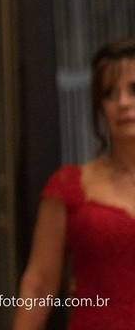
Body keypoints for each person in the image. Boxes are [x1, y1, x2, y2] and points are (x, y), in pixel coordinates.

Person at [13, 38, 135, 330]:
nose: (123, 102)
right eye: (109, 93)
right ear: (99, 108)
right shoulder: (71, 185)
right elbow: (39, 287)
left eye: (134, 89)